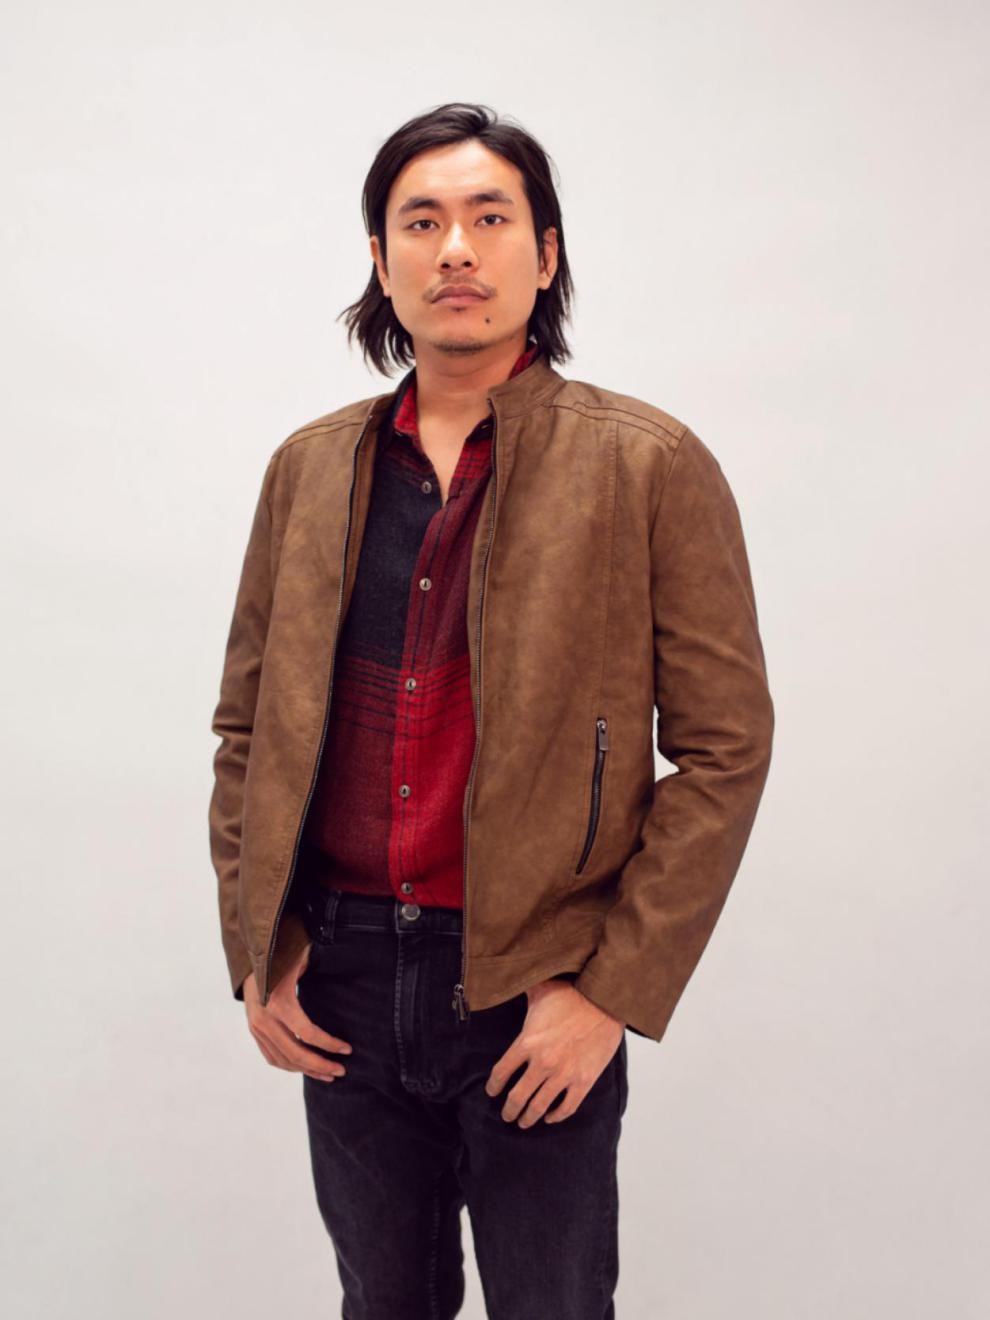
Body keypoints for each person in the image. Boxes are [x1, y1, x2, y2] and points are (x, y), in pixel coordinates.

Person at [208, 101, 774, 1320]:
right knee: (382, 1305)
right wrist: (260, 948)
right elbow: (247, 730)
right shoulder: (310, 469)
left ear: (546, 252)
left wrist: (610, 991)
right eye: (421, 223)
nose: (456, 249)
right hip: (345, 974)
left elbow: (727, 750)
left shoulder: (647, 463)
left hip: (536, 978)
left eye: (490, 218)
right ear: (381, 262)